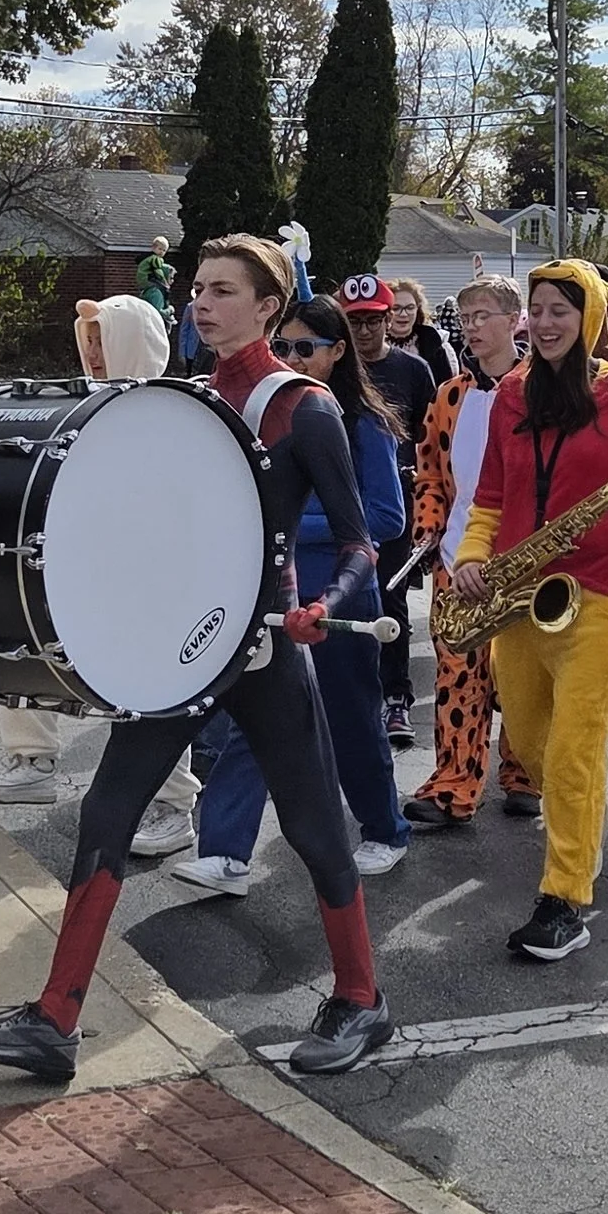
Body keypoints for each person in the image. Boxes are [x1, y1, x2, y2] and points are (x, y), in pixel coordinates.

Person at [0, 233, 392, 1084]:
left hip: (262, 647)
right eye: (198, 287)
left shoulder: (304, 408)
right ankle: (56, 1018)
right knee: (108, 810)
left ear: (269, 305)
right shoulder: (181, 401)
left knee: (309, 825)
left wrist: (322, 608)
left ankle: (362, 996)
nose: (203, 301)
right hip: (177, 649)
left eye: (224, 290)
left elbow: (359, 543)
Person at [447, 261, 608, 961]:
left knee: (574, 751)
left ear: (588, 317)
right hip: (518, 597)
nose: (547, 323)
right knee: (526, 742)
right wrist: (471, 556)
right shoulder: (513, 395)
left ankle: (566, 898)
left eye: (561, 311)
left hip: (596, 597)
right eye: (540, 310)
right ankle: (581, 817)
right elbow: (489, 495)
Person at [181, 289, 408, 889]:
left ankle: (385, 828)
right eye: (283, 346)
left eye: (306, 347)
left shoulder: (361, 423)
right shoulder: (259, 412)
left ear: (338, 352)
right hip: (271, 595)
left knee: (352, 718)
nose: (292, 356)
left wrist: (280, 522)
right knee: (252, 723)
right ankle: (225, 851)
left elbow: (382, 519)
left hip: (337, 594)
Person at [0, 293, 197, 856]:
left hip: (148, 578)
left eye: (104, 338)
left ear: (132, 342)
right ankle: (32, 761)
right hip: (78, 562)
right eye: (87, 338)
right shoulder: (74, 404)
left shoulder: (174, 409)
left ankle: (174, 805)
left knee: (151, 685)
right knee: (24, 643)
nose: (92, 351)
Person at [405, 277, 540, 830]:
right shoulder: (450, 394)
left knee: (522, 677)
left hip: (526, 562)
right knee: (458, 678)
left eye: (484, 315)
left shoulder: (542, 390)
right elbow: (431, 473)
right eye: (465, 316)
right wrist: (429, 530)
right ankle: (454, 783)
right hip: (457, 562)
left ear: (515, 322)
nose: (472, 326)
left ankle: (523, 772)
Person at [341, 273, 435, 751]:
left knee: (389, 599)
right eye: (354, 321)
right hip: (341, 500)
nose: (364, 331)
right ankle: (347, 697)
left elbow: (429, 438)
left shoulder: (413, 371)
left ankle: (397, 695)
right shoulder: (334, 371)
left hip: (394, 501)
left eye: (373, 320)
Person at [385, 276, 457, 387]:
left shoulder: (436, 343)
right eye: (396, 308)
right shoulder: (373, 344)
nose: (403, 314)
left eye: (410, 307)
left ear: (417, 309)